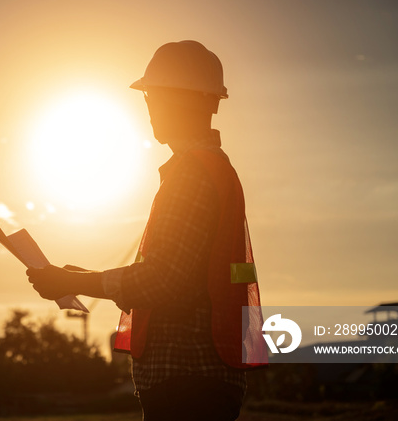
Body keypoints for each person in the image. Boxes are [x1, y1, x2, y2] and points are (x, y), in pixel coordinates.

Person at [27, 40, 266, 420]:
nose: (149, 109)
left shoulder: (192, 175)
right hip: (200, 379)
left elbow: (163, 281)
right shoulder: (212, 170)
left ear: (181, 99)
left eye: (154, 96)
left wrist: (73, 283)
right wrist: (81, 278)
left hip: (187, 382)